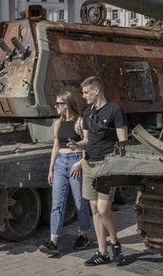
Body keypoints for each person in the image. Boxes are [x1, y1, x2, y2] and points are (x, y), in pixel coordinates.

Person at [68, 76, 128, 266]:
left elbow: (123, 141)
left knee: (104, 209)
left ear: (96, 91)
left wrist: (117, 165)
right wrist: (77, 145)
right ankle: (102, 252)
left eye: (86, 92)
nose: (83, 96)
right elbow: (87, 141)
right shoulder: (87, 114)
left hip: (106, 165)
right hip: (89, 164)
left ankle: (115, 243)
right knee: (94, 209)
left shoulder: (115, 110)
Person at [39, 91, 91, 256]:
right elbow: (55, 146)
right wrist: (51, 168)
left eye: (58, 103)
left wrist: (80, 163)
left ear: (67, 104)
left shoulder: (80, 122)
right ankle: (54, 240)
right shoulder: (58, 123)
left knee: (79, 202)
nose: (56, 106)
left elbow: (87, 143)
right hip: (61, 163)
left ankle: (83, 234)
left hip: (75, 162)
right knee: (57, 203)